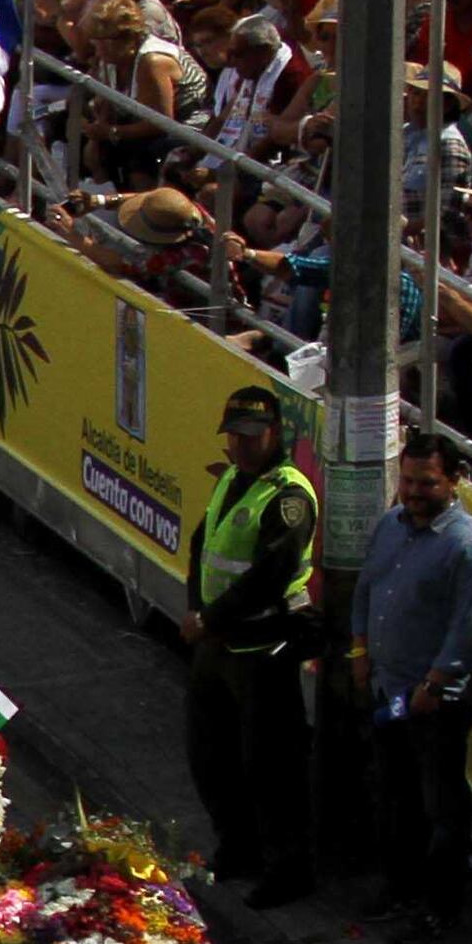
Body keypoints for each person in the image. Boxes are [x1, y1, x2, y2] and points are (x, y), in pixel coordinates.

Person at [354, 433, 472, 940]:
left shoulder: (468, 545)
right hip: (388, 689)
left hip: (435, 703)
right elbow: (366, 588)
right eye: (408, 480)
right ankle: (400, 888)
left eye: (426, 482)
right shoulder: (390, 525)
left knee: (442, 808)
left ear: (455, 480)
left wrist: (435, 685)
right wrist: (359, 650)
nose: (413, 491)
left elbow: (471, 628)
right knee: (395, 795)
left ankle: (440, 909)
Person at [185, 386, 323, 903]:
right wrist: (198, 611)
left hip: (263, 648)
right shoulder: (234, 481)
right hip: (219, 642)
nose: (240, 446)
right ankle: (237, 847)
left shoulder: (287, 495)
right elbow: (205, 545)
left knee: (272, 765)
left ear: (274, 434)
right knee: (210, 754)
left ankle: (288, 868)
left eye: (250, 437)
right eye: (233, 437)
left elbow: (271, 574)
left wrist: (209, 618)